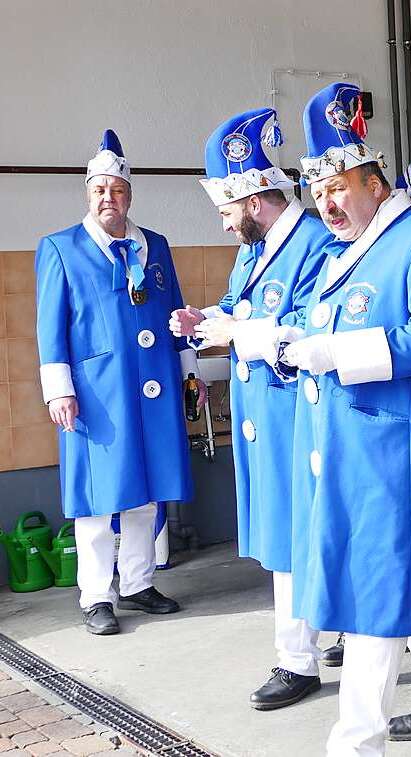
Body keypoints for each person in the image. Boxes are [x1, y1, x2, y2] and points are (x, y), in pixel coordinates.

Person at [274, 82, 411, 755]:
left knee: (379, 590)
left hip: (401, 455)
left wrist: (335, 352)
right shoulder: (346, 253)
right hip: (357, 452)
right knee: (407, 579)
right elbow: (319, 328)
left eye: (339, 187)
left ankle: (355, 740)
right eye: (319, 195)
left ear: (374, 180)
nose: (329, 205)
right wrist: (280, 343)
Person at [169, 108, 342, 709]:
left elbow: (310, 329)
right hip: (264, 417)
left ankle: (297, 660)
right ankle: (334, 630)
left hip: (296, 413)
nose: (222, 225)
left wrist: (236, 331)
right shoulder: (260, 243)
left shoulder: (315, 244)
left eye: (224, 209)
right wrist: (206, 321)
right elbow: (241, 307)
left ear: (251, 196)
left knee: (296, 534)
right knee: (289, 532)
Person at [35, 130, 200, 635]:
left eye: (119, 190)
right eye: (100, 191)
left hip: (153, 388)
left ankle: (137, 582)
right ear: (88, 194)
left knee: (146, 491)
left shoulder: (156, 247)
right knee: (99, 495)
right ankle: (95, 595)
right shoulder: (61, 248)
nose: (110, 199)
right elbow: (50, 324)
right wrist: (58, 388)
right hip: (97, 396)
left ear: (131, 194)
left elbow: (175, 312)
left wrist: (189, 372)